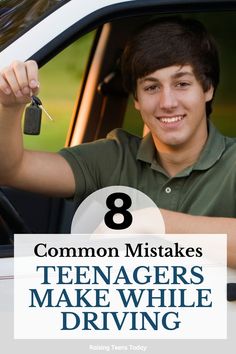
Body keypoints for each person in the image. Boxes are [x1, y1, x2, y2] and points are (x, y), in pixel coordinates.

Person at [0, 17, 235, 267]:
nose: (168, 102)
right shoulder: (115, 156)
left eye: (182, 84)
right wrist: (9, 106)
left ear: (207, 89)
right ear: (136, 99)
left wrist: (150, 222)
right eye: (152, 87)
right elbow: (11, 169)